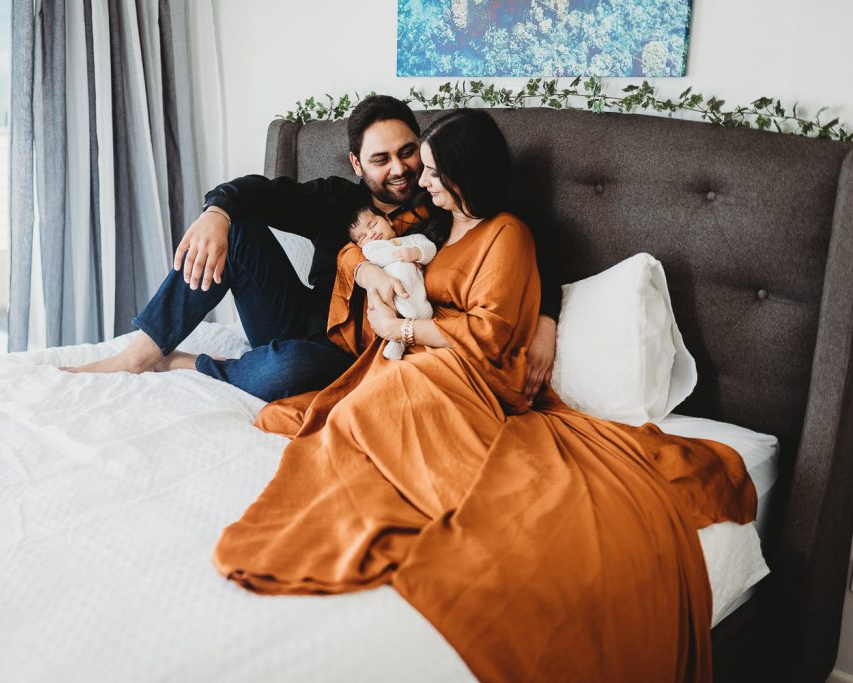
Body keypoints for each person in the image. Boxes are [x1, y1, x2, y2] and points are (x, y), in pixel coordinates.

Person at [212, 109, 757, 681]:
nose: (418, 180)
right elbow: (367, 253)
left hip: (470, 376)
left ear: (462, 176)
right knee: (319, 406)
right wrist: (374, 291)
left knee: (371, 402)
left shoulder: (508, 233)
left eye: (431, 171)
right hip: (420, 361)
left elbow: (490, 334)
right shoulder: (438, 229)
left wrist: (405, 331)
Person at [68, 96, 561, 404]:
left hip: (351, 349)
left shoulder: (444, 200)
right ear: (356, 163)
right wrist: (216, 213)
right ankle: (139, 352)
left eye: (408, 151)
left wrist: (545, 323)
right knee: (238, 228)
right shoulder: (334, 198)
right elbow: (257, 192)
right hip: (302, 316)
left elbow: (531, 238)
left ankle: (186, 363)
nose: (402, 170)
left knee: (286, 371)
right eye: (381, 158)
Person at [346, 203, 437, 360]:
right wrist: (405, 255)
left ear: (387, 220)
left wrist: (417, 252)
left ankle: (407, 335)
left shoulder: (413, 239)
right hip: (394, 301)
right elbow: (379, 257)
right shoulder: (371, 250)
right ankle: (398, 342)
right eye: (363, 237)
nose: (371, 234)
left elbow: (431, 249)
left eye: (373, 224)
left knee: (423, 310)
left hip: (418, 295)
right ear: (359, 245)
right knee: (397, 313)